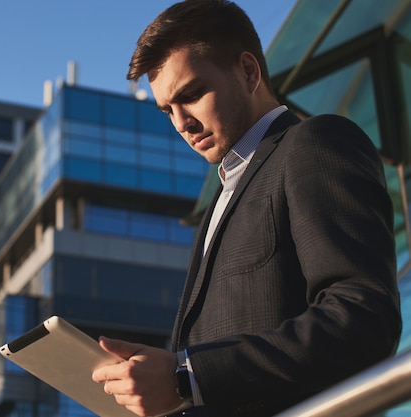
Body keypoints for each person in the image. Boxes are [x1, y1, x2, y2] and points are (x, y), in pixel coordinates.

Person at [91, 1, 402, 416]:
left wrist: (187, 376)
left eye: (191, 95)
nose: (181, 123)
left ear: (249, 71)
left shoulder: (315, 143)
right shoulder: (220, 200)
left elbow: (363, 318)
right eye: (168, 110)